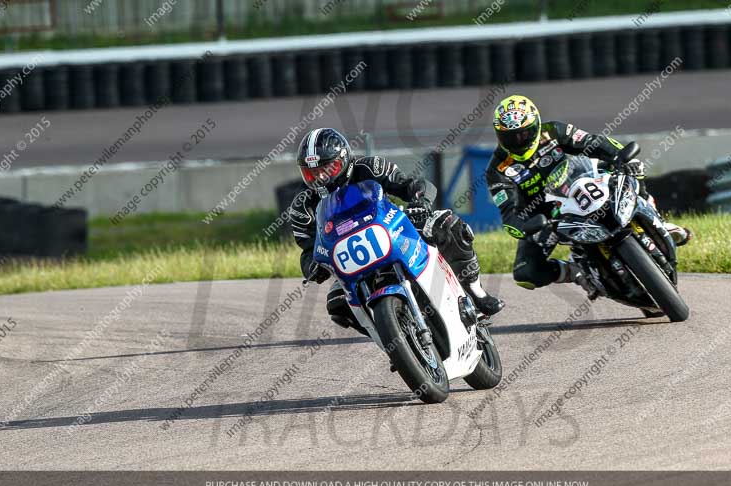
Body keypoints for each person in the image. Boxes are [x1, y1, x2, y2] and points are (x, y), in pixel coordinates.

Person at [289, 128, 504, 336]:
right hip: (352, 262)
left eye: (328, 169)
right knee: (336, 302)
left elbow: (412, 185)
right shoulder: (303, 206)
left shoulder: (369, 168)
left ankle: (476, 293)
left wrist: (420, 201)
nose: (321, 178)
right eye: (312, 173)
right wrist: (313, 266)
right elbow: (307, 249)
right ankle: (389, 334)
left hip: (393, 230)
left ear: (344, 160)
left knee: (447, 224)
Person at [485, 95, 691, 295]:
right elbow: (508, 214)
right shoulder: (497, 170)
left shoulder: (554, 131)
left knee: (634, 165)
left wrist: (618, 158)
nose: (518, 140)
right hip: (549, 217)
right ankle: (577, 273)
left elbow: (594, 142)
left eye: (524, 133)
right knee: (525, 273)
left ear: (537, 125)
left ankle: (658, 220)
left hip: (584, 181)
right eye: (509, 137)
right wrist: (525, 226)